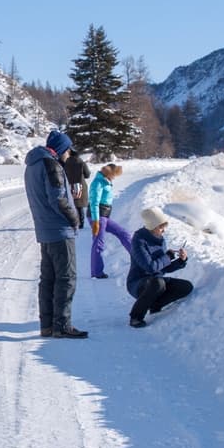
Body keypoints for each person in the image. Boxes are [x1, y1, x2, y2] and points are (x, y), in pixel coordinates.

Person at [23, 130, 87, 339]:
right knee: (66, 278)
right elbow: (57, 199)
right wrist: (74, 219)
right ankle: (62, 325)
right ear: (61, 149)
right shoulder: (51, 165)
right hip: (60, 230)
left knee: (48, 279)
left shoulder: (32, 165)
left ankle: (47, 325)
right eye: (67, 149)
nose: (69, 153)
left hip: (45, 229)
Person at [126, 207, 193, 328]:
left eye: (164, 226)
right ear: (152, 226)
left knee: (186, 287)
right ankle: (135, 317)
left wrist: (181, 261)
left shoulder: (160, 239)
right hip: (138, 283)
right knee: (158, 283)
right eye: (161, 227)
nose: (163, 230)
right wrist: (168, 256)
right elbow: (151, 267)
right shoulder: (138, 241)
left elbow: (163, 267)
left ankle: (154, 304)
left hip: (156, 281)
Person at [88, 163, 132, 279]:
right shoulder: (98, 183)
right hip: (98, 216)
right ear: (109, 173)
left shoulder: (106, 181)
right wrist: (96, 221)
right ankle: (96, 272)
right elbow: (94, 202)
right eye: (114, 175)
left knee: (123, 233)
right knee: (99, 243)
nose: (114, 177)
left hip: (105, 216)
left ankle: (138, 259)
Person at [62, 149, 90, 229]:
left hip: (69, 185)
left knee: (71, 204)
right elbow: (87, 174)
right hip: (80, 185)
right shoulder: (81, 162)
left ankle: (73, 222)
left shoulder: (66, 163)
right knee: (79, 206)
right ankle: (81, 223)